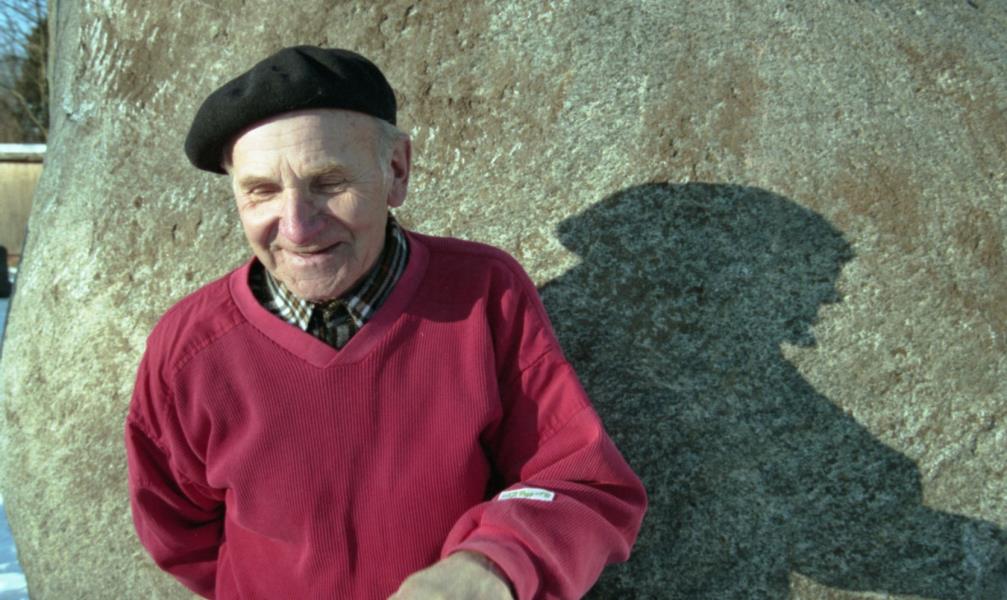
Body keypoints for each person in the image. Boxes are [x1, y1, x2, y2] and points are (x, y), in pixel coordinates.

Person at [125, 45, 646, 600]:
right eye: (262, 192)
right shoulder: (187, 349)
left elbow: (579, 482)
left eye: (329, 183)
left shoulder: (482, 294)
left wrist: (492, 568)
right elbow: (178, 533)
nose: (297, 228)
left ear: (396, 170)